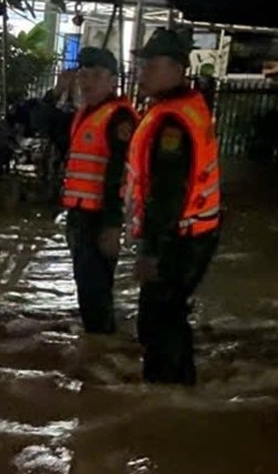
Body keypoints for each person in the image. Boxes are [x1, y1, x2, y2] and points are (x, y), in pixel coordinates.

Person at [126, 28, 221, 385]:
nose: (142, 71)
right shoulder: (187, 107)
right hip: (196, 232)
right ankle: (181, 391)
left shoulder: (171, 122)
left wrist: (151, 253)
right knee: (171, 318)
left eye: (152, 64)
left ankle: (164, 399)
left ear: (178, 68)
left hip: (179, 240)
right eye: (141, 64)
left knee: (157, 323)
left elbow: (166, 196)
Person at [61, 47, 140, 335]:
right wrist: (57, 92)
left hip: (99, 217)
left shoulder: (120, 118)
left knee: (95, 289)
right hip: (80, 214)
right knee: (88, 287)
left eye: (96, 74)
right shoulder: (85, 113)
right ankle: (99, 350)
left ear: (113, 80)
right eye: (83, 74)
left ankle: (102, 348)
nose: (87, 81)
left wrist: (111, 225)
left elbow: (118, 173)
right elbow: (42, 124)